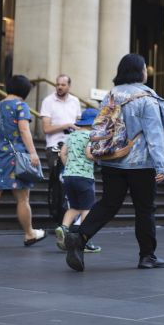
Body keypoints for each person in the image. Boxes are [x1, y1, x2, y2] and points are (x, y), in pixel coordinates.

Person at [63, 54, 164, 272]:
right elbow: (154, 134)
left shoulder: (111, 96)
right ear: (139, 71)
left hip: (112, 160)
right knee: (145, 209)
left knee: (108, 203)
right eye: (145, 67)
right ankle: (147, 256)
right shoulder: (147, 97)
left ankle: (79, 236)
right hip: (141, 163)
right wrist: (162, 165)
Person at [0, 75, 45, 249]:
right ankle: (29, 233)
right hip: (16, 157)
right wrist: (33, 153)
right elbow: (23, 129)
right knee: (23, 199)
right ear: (25, 91)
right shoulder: (21, 106)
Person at [53, 108, 101, 253]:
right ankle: (84, 240)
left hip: (68, 176)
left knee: (74, 207)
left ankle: (63, 228)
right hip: (84, 177)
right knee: (87, 208)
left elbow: (62, 153)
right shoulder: (91, 136)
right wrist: (98, 156)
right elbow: (88, 153)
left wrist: (69, 166)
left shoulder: (72, 135)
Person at [40, 74, 81, 161]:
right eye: (58, 84)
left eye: (63, 85)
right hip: (54, 146)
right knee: (55, 174)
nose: (59, 87)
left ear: (69, 86)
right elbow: (46, 129)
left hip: (72, 146)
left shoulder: (75, 101)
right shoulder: (48, 101)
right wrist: (65, 126)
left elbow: (79, 123)